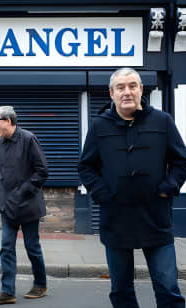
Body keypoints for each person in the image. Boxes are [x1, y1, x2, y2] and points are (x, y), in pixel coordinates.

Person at [78, 67, 186, 308]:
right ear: (111, 93)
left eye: (132, 86)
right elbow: (86, 167)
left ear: (140, 90)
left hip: (156, 217)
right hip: (116, 219)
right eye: (120, 87)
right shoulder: (99, 126)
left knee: (169, 290)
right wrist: (103, 194)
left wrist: (167, 189)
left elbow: (181, 161)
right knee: (121, 292)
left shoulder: (162, 121)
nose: (127, 92)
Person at [0, 106, 48, 306]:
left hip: (28, 205)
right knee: (6, 247)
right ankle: (7, 291)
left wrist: (21, 192)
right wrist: (2, 198)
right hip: (8, 206)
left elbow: (42, 171)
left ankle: (40, 284)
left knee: (32, 247)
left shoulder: (28, 139)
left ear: (9, 121)